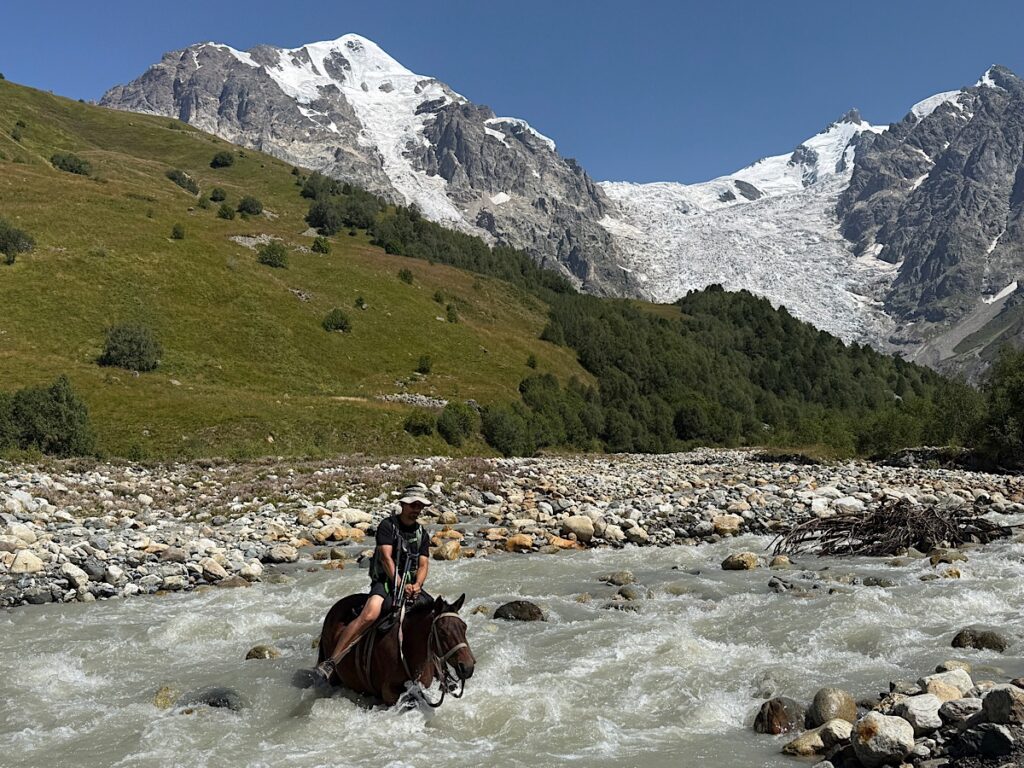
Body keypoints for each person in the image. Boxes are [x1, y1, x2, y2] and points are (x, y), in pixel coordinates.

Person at [313, 484, 433, 684]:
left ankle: (442, 669)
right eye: (413, 505)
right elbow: (386, 559)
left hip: (411, 585)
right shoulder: (388, 526)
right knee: (370, 614)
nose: (416, 510)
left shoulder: (422, 533)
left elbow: (423, 563)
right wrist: (398, 584)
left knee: (435, 615)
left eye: (420, 506)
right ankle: (332, 661)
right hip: (386, 582)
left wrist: (418, 584)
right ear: (403, 505)